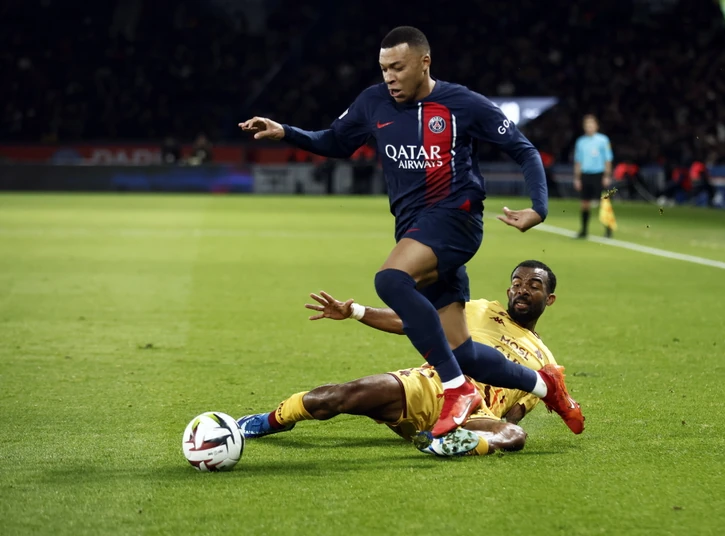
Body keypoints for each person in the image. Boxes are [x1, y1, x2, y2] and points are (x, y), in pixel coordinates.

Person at [239, 26, 550, 437]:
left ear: (424, 62)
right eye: (384, 68)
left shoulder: (462, 103)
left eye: (398, 67)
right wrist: (286, 131)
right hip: (415, 229)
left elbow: (523, 149)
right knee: (463, 351)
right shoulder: (373, 102)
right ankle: (548, 386)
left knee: (390, 280)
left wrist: (538, 208)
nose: (389, 77)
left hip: (455, 220)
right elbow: (336, 141)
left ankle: (456, 389)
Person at [238, 260, 584, 457]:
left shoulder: (544, 362)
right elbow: (413, 321)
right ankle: (269, 420)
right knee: (335, 397)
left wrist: (496, 424)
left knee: (513, 435)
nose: (522, 289)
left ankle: (449, 443)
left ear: (549, 298)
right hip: (431, 386)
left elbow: (513, 414)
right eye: (517, 282)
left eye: (533, 285)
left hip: (476, 413)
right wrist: (356, 311)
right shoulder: (480, 309)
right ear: (508, 290)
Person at [573, 115, 613, 238]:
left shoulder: (603, 140)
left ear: (596, 126)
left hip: (599, 174)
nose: (589, 127)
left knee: (604, 203)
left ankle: (608, 230)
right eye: (587, 125)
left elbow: (608, 159)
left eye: (591, 124)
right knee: (584, 203)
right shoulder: (580, 142)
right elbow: (578, 161)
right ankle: (584, 230)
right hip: (585, 174)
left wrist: (607, 176)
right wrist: (577, 178)